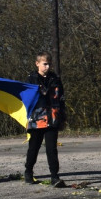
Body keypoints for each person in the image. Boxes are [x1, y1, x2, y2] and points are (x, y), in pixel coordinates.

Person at [24, 52, 66, 187]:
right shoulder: (31, 80)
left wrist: (62, 116)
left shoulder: (55, 79)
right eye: (44, 64)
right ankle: (28, 171)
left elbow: (61, 98)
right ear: (37, 64)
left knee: (51, 149)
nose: (47, 67)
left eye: (49, 64)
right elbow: (26, 100)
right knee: (34, 148)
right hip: (37, 119)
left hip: (52, 118)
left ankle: (55, 176)